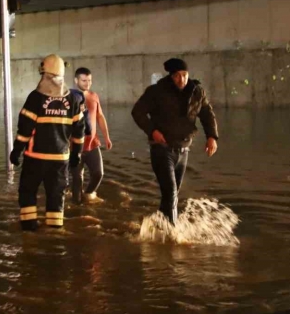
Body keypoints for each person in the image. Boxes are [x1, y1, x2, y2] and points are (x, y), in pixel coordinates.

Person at [131, 58, 218, 225]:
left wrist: (212, 136)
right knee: (171, 193)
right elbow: (137, 112)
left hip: (183, 151)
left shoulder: (197, 91)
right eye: (177, 76)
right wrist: (152, 131)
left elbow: (207, 114)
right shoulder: (156, 92)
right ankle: (173, 236)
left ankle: (159, 227)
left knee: (172, 194)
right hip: (162, 149)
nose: (182, 79)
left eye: (185, 75)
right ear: (171, 76)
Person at [10, 54, 85, 231]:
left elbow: (25, 129)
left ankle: (29, 232)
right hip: (60, 160)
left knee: (28, 192)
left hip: (35, 158)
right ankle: (54, 236)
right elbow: (79, 130)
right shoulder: (74, 100)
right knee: (56, 196)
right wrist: (76, 153)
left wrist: (16, 150)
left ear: (45, 74)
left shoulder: (35, 98)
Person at [70, 67, 112, 204]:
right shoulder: (69, 97)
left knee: (98, 173)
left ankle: (89, 194)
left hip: (92, 143)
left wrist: (106, 137)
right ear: (76, 80)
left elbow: (100, 116)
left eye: (89, 80)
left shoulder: (94, 96)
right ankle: (76, 207)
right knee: (77, 178)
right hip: (74, 145)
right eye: (84, 80)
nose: (87, 83)